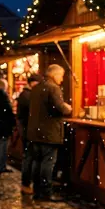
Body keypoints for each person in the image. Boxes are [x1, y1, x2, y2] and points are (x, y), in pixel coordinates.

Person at [25, 64, 72, 201]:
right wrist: (68, 108)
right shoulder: (53, 88)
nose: (62, 79)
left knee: (37, 162)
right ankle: (46, 192)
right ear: (54, 74)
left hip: (35, 133)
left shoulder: (37, 88)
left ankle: (37, 191)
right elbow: (60, 108)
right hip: (49, 133)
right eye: (61, 76)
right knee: (47, 163)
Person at [16, 74, 42, 195]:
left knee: (29, 156)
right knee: (29, 157)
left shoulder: (25, 94)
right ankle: (26, 184)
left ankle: (27, 183)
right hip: (28, 130)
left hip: (27, 129)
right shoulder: (28, 96)